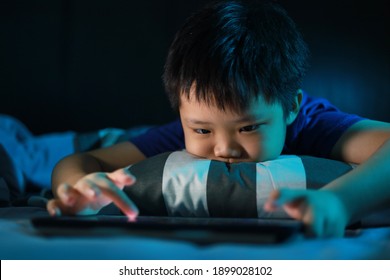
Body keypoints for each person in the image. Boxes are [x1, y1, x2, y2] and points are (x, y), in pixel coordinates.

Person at [47, 0, 390, 237]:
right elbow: (81, 159)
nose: (224, 148)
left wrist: (340, 201)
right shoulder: (177, 135)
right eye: (201, 129)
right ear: (181, 115)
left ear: (290, 108)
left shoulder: (314, 123)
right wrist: (78, 187)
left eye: (249, 127)